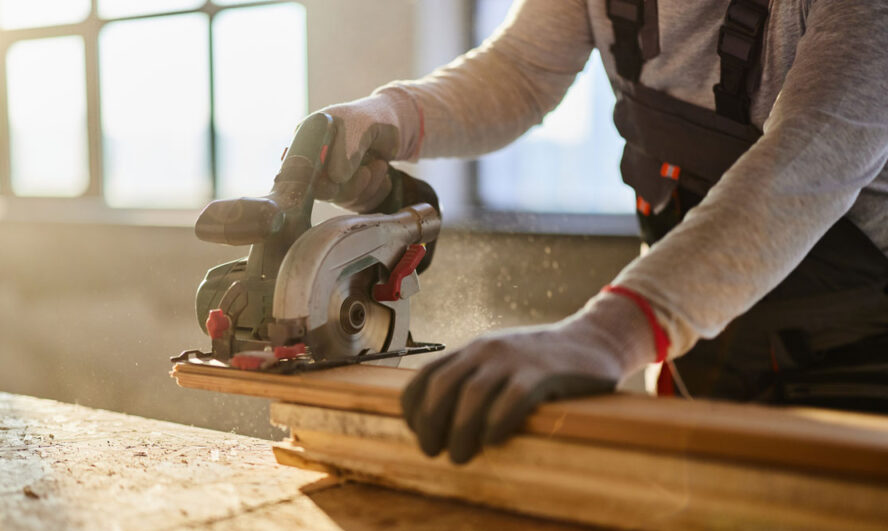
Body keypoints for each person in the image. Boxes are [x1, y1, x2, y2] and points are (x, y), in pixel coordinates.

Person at [310, 0, 888, 463]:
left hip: (860, 370)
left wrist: (605, 338)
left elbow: (804, 168)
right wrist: (387, 118)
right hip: (703, 348)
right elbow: (521, 71)